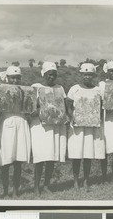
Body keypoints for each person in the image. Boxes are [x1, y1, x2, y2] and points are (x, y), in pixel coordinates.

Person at [66, 63, 105, 191]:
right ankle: (76, 181)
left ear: (94, 75)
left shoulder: (98, 90)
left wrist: (97, 118)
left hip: (91, 126)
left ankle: (86, 181)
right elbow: (69, 105)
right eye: (85, 74)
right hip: (77, 126)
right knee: (77, 155)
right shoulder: (74, 89)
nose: (87, 77)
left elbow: (100, 107)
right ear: (81, 75)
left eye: (90, 74)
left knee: (88, 154)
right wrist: (72, 116)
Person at [30, 61, 67, 195]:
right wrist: (39, 109)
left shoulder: (60, 88)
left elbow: (62, 105)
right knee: (40, 157)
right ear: (44, 74)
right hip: (40, 127)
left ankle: (46, 185)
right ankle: (36, 187)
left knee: (51, 156)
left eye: (53, 74)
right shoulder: (36, 87)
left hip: (55, 126)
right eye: (49, 74)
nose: (51, 77)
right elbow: (30, 106)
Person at [0, 66, 32, 197]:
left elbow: (29, 108)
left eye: (17, 78)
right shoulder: (1, 91)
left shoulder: (25, 91)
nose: (15, 80)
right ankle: (6, 191)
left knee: (18, 160)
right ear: (8, 78)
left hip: (22, 123)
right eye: (12, 77)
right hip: (7, 123)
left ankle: (16, 190)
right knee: (6, 160)